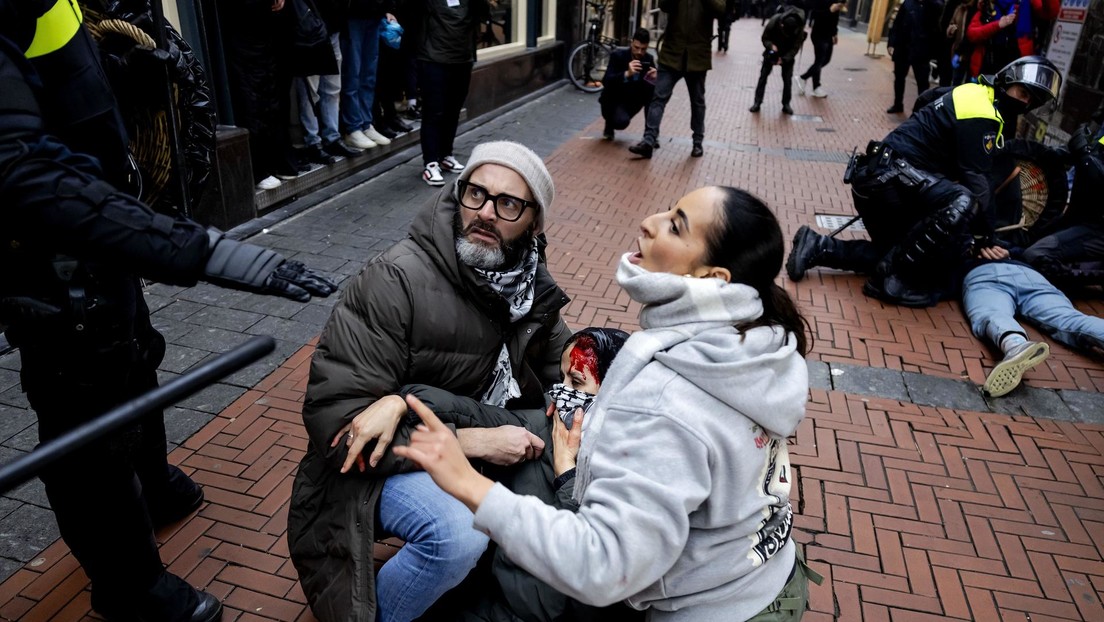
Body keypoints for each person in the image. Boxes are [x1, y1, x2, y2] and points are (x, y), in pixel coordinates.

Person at [0, 5, 339, 620]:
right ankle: (127, 585)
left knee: (135, 358)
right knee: (86, 429)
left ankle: (151, 484)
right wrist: (200, 248)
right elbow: (20, 172)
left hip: (108, 234)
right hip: (54, 265)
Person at [394, 186, 821, 621]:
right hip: (765, 576)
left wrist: (469, 485)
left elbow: (603, 566)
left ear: (712, 278)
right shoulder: (755, 346)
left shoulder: (664, 398)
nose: (649, 222)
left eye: (675, 225)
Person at [287, 141, 573, 622]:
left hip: (466, 441)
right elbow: (338, 427)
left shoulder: (526, 285)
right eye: (475, 194)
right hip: (368, 471)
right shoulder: (395, 280)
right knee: (457, 533)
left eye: (507, 203)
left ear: (534, 224)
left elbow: (560, 373)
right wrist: (472, 442)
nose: (485, 213)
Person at [332, 327, 637, 622]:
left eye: (577, 382)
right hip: (498, 604)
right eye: (561, 379)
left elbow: (591, 558)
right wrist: (401, 403)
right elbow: (468, 412)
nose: (561, 394)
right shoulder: (542, 427)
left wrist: (567, 475)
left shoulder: (638, 468)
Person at [786, 56, 1062, 307]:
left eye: (1032, 101)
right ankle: (890, 282)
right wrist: (985, 238)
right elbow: (977, 183)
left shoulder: (970, 91)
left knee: (910, 251)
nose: (1025, 103)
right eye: (1023, 93)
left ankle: (819, 246)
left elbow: (925, 100)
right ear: (1006, 80)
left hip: (880, 179)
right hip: (889, 181)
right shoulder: (982, 110)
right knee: (963, 201)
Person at [961, 260, 1104, 397]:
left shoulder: (964, 245)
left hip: (983, 274)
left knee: (993, 314)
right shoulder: (1017, 242)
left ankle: (1015, 345)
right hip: (1029, 274)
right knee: (1071, 319)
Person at [628, 0, 726, 159]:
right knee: (658, 97)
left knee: (697, 101)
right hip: (672, 53)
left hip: (697, 55)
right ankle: (648, 140)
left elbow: (721, 10)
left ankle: (697, 142)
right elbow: (664, 5)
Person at [410, 0, 489, 185]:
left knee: (453, 111)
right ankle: (430, 163)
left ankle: (445, 155)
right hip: (433, 59)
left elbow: (483, 14)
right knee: (434, 111)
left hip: (462, 58)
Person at [1020, 123, 1104, 289]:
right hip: (1083, 219)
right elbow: (1089, 156)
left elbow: (1093, 169)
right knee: (1024, 245)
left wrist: (1085, 157)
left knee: (1036, 255)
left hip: (1099, 229)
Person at [338, 1, 396, 151]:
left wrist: (387, 8)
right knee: (353, 73)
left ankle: (365, 123)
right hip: (352, 13)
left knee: (368, 75)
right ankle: (353, 127)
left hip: (374, 12)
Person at [599, 28, 657, 141]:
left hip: (633, 101)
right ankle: (609, 124)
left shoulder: (648, 59)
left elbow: (652, 89)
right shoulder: (618, 56)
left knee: (653, 94)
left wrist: (655, 79)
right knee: (620, 122)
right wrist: (626, 74)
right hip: (614, 100)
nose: (639, 52)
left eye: (643, 49)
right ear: (631, 43)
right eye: (636, 48)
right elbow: (606, 81)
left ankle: (650, 135)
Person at [750, 3, 806, 115]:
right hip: (772, 51)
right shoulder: (775, 20)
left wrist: (784, 59)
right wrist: (771, 46)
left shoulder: (799, 29)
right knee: (763, 76)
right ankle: (757, 102)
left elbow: (795, 48)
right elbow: (764, 38)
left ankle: (786, 104)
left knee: (787, 79)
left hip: (787, 54)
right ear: (781, 25)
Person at [886, 0, 933, 114]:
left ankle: (920, 110)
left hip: (921, 50)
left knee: (922, 82)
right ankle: (898, 104)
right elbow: (896, 24)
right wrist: (891, 43)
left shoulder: (932, 6)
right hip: (903, 48)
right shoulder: (907, 3)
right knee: (899, 78)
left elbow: (935, 29)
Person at [797, 0, 845, 98]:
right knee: (819, 60)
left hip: (828, 35)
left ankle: (804, 78)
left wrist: (835, 33)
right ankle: (815, 86)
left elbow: (835, 18)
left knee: (826, 60)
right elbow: (814, 15)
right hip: (818, 34)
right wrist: (829, 10)